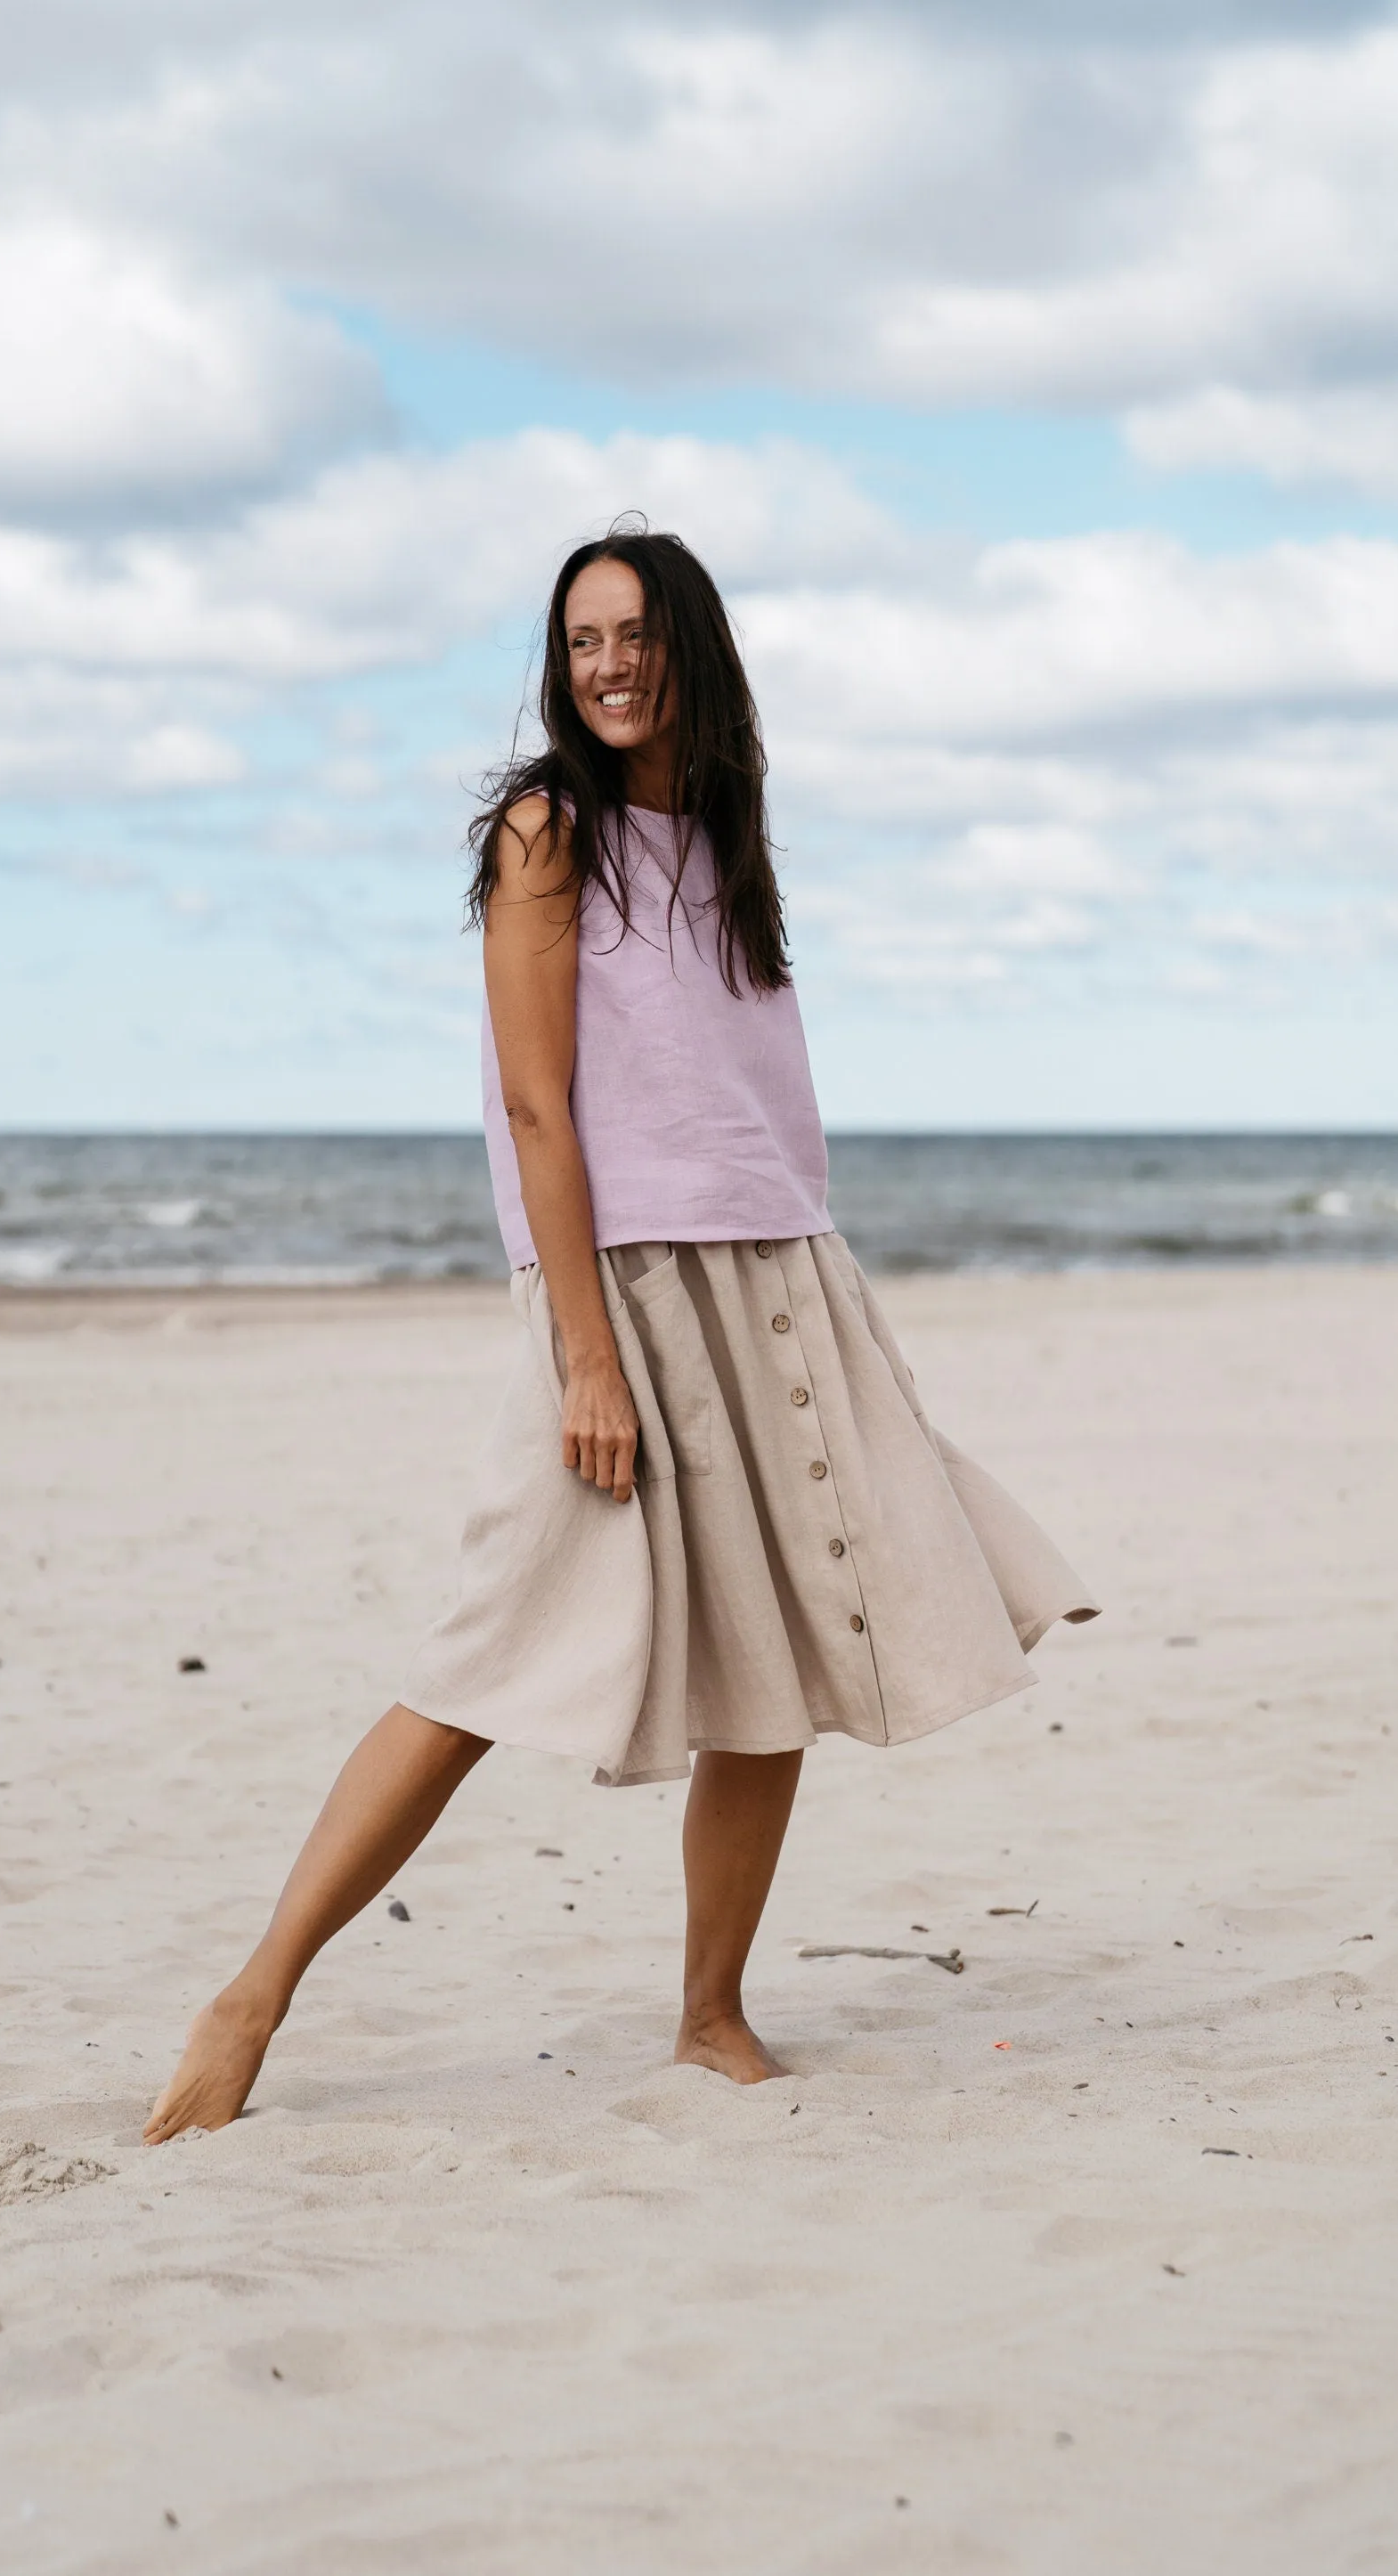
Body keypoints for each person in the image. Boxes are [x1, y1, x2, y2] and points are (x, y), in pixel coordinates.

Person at [144, 525, 1097, 2142]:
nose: (607, 665)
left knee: (778, 1658)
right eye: (581, 640)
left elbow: (744, 1095)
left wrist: (819, 1282)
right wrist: (586, 1351)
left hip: (778, 1269)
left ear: (689, 648)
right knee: (485, 1655)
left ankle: (711, 2009)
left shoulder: (729, 840)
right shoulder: (547, 831)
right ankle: (254, 1995)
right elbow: (537, 1102)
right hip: (626, 1288)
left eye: (634, 634)